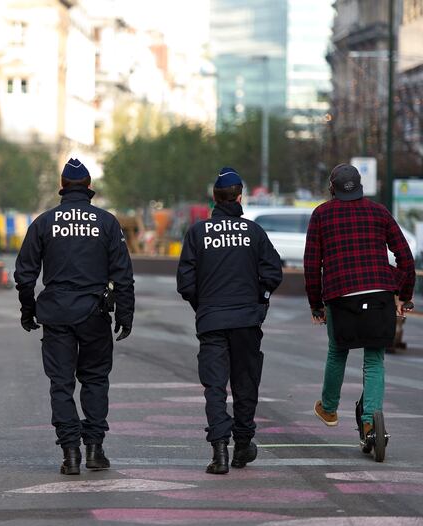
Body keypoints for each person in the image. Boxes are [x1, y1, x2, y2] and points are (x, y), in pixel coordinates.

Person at [14, 158, 135, 475]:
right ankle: (94, 449)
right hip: (94, 313)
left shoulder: (44, 222)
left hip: (56, 314)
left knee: (61, 383)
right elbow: (123, 274)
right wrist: (125, 313)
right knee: (95, 380)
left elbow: (25, 275)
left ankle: (70, 453)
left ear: (63, 187)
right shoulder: (106, 222)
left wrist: (28, 310)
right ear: (89, 187)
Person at [176, 167, 282, 475]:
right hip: (247, 320)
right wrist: (259, 300)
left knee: (215, 386)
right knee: (245, 382)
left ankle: (219, 450)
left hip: (211, 320)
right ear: (239, 197)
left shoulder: (197, 233)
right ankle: (243, 445)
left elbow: (186, 283)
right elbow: (272, 273)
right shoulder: (253, 232)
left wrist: (204, 306)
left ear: (214, 198)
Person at [305, 163, 414, 449]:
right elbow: (405, 257)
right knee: (375, 358)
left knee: (337, 350)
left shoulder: (321, 215)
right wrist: (403, 293)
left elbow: (311, 265)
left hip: (340, 296)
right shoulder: (379, 212)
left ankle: (328, 408)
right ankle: (370, 420)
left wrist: (316, 305)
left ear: (332, 188)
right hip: (379, 293)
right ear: (360, 186)